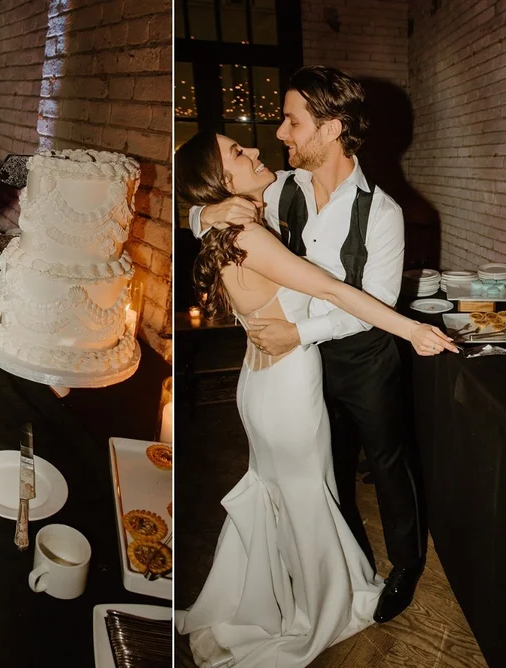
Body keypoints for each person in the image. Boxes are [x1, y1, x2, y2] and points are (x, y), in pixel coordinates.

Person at [175, 130, 457, 667]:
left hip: (267, 378)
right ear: (223, 183)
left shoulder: (301, 205)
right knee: (307, 495)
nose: (263, 145)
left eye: (290, 121)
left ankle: (287, 592)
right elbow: (330, 289)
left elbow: (200, 212)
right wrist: (413, 331)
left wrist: (202, 214)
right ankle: (318, 608)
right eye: (239, 152)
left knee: (295, 491)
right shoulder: (254, 221)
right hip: (286, 385)